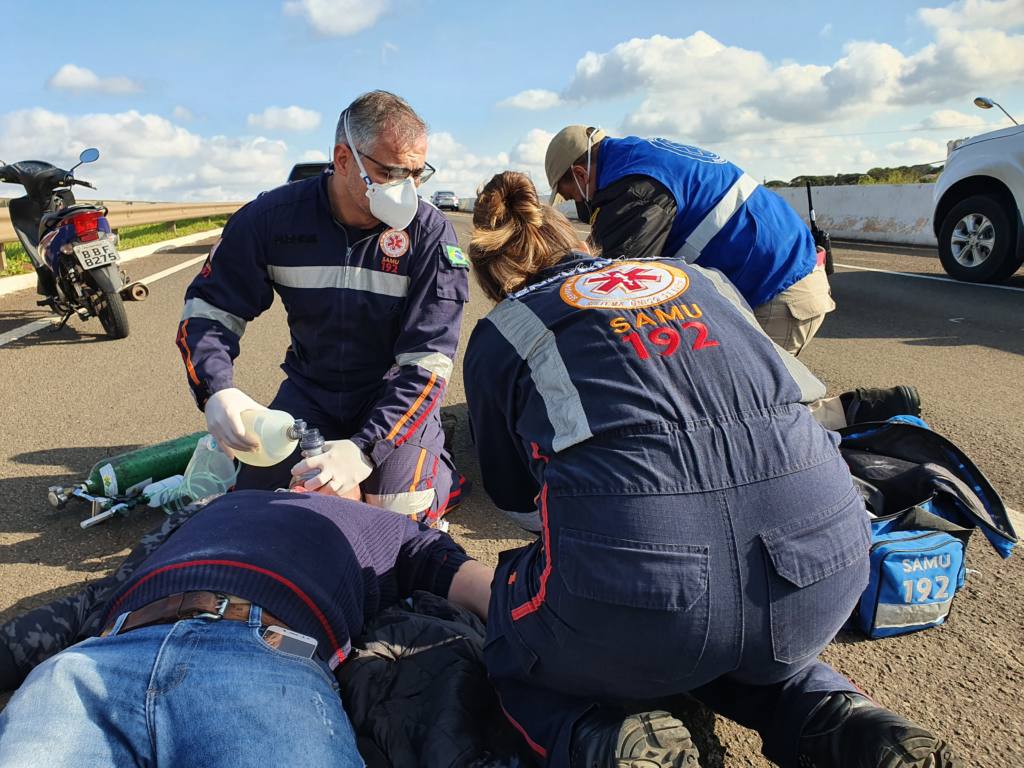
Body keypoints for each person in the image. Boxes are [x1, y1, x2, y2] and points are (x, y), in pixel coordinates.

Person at [462, 171, 961, 768]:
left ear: (496, 275)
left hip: (643, 604)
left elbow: (519, 505)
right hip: (825, 570)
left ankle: (599, 736)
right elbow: (800, 404)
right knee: (737, 631)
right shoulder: (706, 281)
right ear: (578, 241)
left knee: (517, 637)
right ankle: (843, 720)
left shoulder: (505, 330)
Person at [0, 490, 492, 767]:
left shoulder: (391, 529)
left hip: (262, 659)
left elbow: (491, 591)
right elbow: (93, 599)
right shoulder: (206, 508)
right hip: (103, 657)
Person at [176, 90, 470, 523]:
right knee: (263, 511)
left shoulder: (429, 234)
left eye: (416, 173)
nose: (405, 189)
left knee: (395, 517)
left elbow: (428, 363)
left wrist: (365, 448)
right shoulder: (272, 219)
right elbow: (209, 310)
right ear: (344, 158)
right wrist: (216, 390)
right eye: (390, 172)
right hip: (312, 391)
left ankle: (436, 465)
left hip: (391, 395)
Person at [544, 125, 920, 429]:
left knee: (735, 414)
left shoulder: (635, 187)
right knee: (740, 397)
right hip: (785, 279)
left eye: (572, 194)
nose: (582, 203)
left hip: (778, 295)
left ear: (579, 173)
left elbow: (618, 282)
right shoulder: (646, 157)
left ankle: (865, 416)